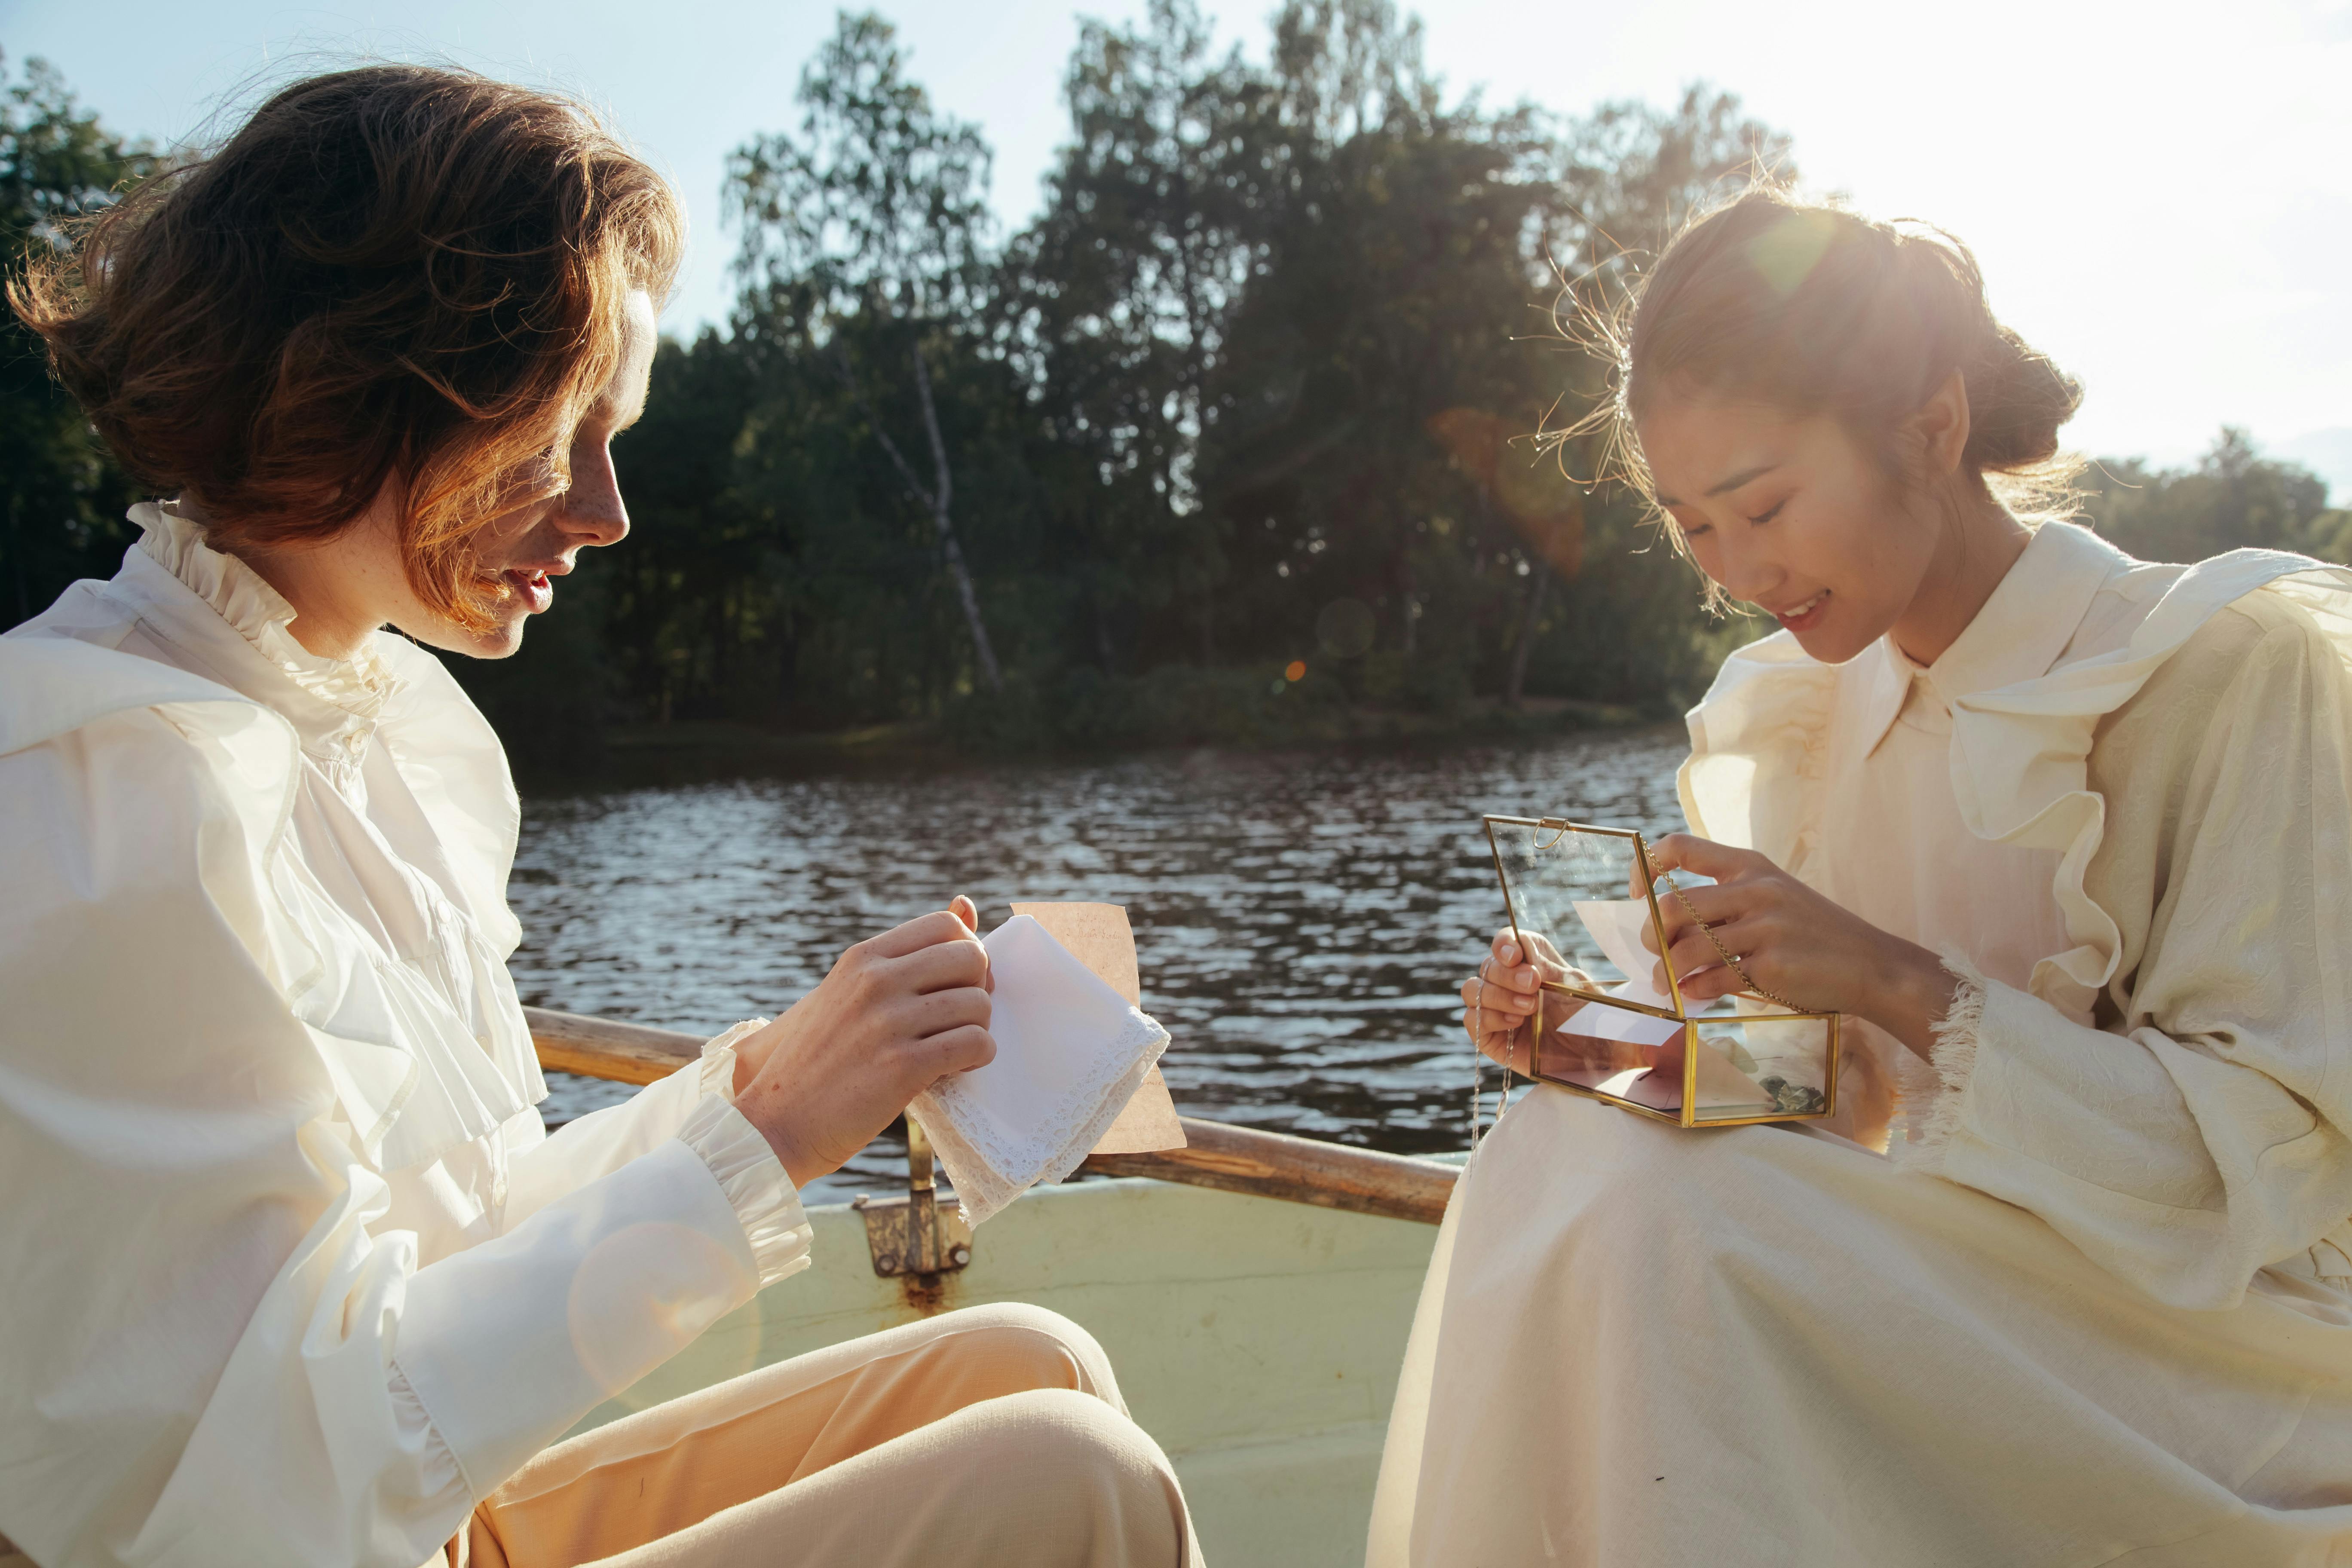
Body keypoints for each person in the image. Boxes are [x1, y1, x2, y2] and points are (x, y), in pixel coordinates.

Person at [0, 67, 1197, 1568]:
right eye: (563, 431)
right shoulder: (102, 788)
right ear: (357, 382)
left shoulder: (351, 726)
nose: (607, 508)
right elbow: (258, 1496)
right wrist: (768, 1130)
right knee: (1064, 1471)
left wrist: (785, 1074)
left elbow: (460, 1229)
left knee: (1034, 1364)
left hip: (412, 1528)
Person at [1371, 190, 2352, 1565]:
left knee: (1667, 1226)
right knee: (1562, 1147)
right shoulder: (1806, 713)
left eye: (1763, 504)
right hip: (1941, 1297)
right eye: (1693, 526)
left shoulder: (2223, 672)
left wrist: (1896, 979)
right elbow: (1840, 1108)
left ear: (1934, 429)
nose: (1738, 572)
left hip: (2216, 1355)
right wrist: (1597, 1042)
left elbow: (2263, 1176)